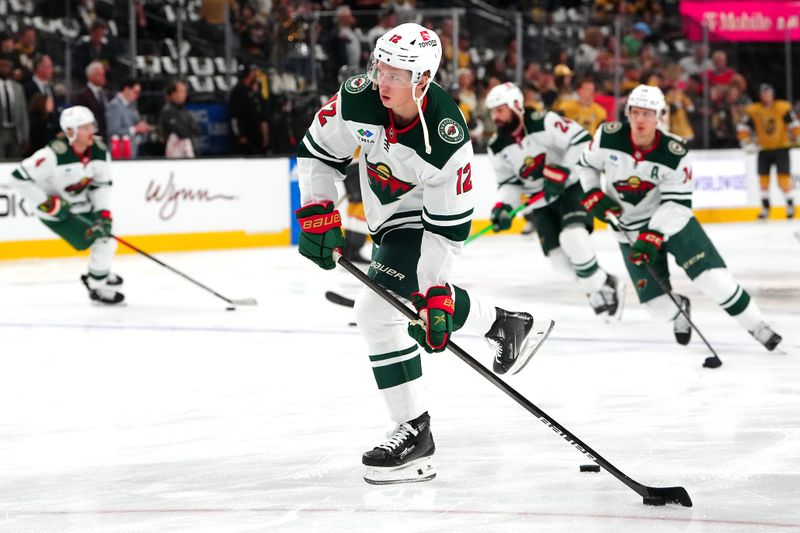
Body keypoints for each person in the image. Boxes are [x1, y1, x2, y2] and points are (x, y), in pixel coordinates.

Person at [295, 23, 554, 485]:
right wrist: (318, 208)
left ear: (423, 79)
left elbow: (443, 234)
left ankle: (416, 435)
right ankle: (505, 324)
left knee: (376, 310)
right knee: (381, 309)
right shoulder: (358, 97)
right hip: (387, 217)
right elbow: (318, 152)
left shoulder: (447, 141)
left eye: (398, 73)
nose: (384, 81)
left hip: (425, 218)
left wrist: (435, 292)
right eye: (382, 67)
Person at [578, 84, 781, 351]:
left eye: (648, 114)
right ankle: (679, 310)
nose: (641, 120)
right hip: (627, 230)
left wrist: (654, 234)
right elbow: (587, 165)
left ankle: (758, 327)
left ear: (659, 115)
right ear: (627, 113)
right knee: (657, 309)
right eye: (636, 112)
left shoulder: (675, 152)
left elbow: (678, 203)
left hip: (673, 225)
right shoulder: (607, 136)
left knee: (713, 280)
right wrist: (593, 193)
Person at [486, 82, 622, 319]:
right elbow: (509, 183)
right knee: (559, 262)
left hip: (570, 189)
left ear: (516, 106)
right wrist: (505, 206)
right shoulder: (496, 146)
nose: (495, 116)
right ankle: (604, 282)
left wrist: (563, 171)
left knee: (573, 238)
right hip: (541, 202)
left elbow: (582, 140)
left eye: (500, 110)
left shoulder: (543, 121)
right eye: (493, 111)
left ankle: (596, 289)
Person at [9, 106, 123, 304]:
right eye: (85, 128)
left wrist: (102, 212)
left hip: (80, 205)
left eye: (91, 126)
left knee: (108, 234)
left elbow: (101, 185)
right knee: (102, 240)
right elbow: (17, 178)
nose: (92, 132)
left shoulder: (98, 151)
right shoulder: (51, 155)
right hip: (58, 213)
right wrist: (47, 203)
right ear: (71, 131)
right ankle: (97, 285)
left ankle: (98, 274)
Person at [737, 83, 800, 219]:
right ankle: (765, 208)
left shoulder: (782, 107)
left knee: (783, 179)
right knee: (763, 180)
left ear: (773, 95)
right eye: (763, 94)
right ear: (760, 96)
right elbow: (742, 126)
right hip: (764, 149)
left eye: (768, 94)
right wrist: (745, 142)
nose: (766, 97)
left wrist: (797, 135)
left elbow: (794, 123)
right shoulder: (754, 110)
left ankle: (790, 206)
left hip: (781, 148)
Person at [106, 78, 153, 158]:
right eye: (135, 92)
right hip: (119, 153)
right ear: (127, 89)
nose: (137, 95)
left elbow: (135, 121)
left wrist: (142, 126)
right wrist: (135, 129)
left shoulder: (131, 105)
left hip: (131, 151)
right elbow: (112, 130)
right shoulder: (115, 106)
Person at [228, 64, 269, 155]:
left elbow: (261, 114)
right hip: (246, 139)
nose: (255, 74)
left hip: (257, 137)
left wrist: (264, 135)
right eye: (253, 72)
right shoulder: (238, 92)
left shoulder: (254, 91)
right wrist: (240, 136)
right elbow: (234, 117)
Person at [159, 80, 199, 158]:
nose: (185, 94)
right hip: (174, 156)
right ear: (173, 94)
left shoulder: (183, 111)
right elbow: (181, 132)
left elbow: (196, 131)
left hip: (186, 154)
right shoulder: (168, 111)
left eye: (185, 91)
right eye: (182, 91)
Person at [0, 54, 29, 158]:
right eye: (2, 65)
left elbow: (23, 113)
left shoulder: (18, 87)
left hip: (15, 131)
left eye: (7, 66)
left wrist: (25, 135)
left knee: (15, 160)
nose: (4, 68)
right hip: (1, 130)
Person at [74, 61, 109, 140]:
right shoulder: (82, 95)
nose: (103, 77)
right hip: (91, 137)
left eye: (103, 74)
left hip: (106, 136)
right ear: (90, 76)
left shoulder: (106, 93)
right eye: (99, 74)